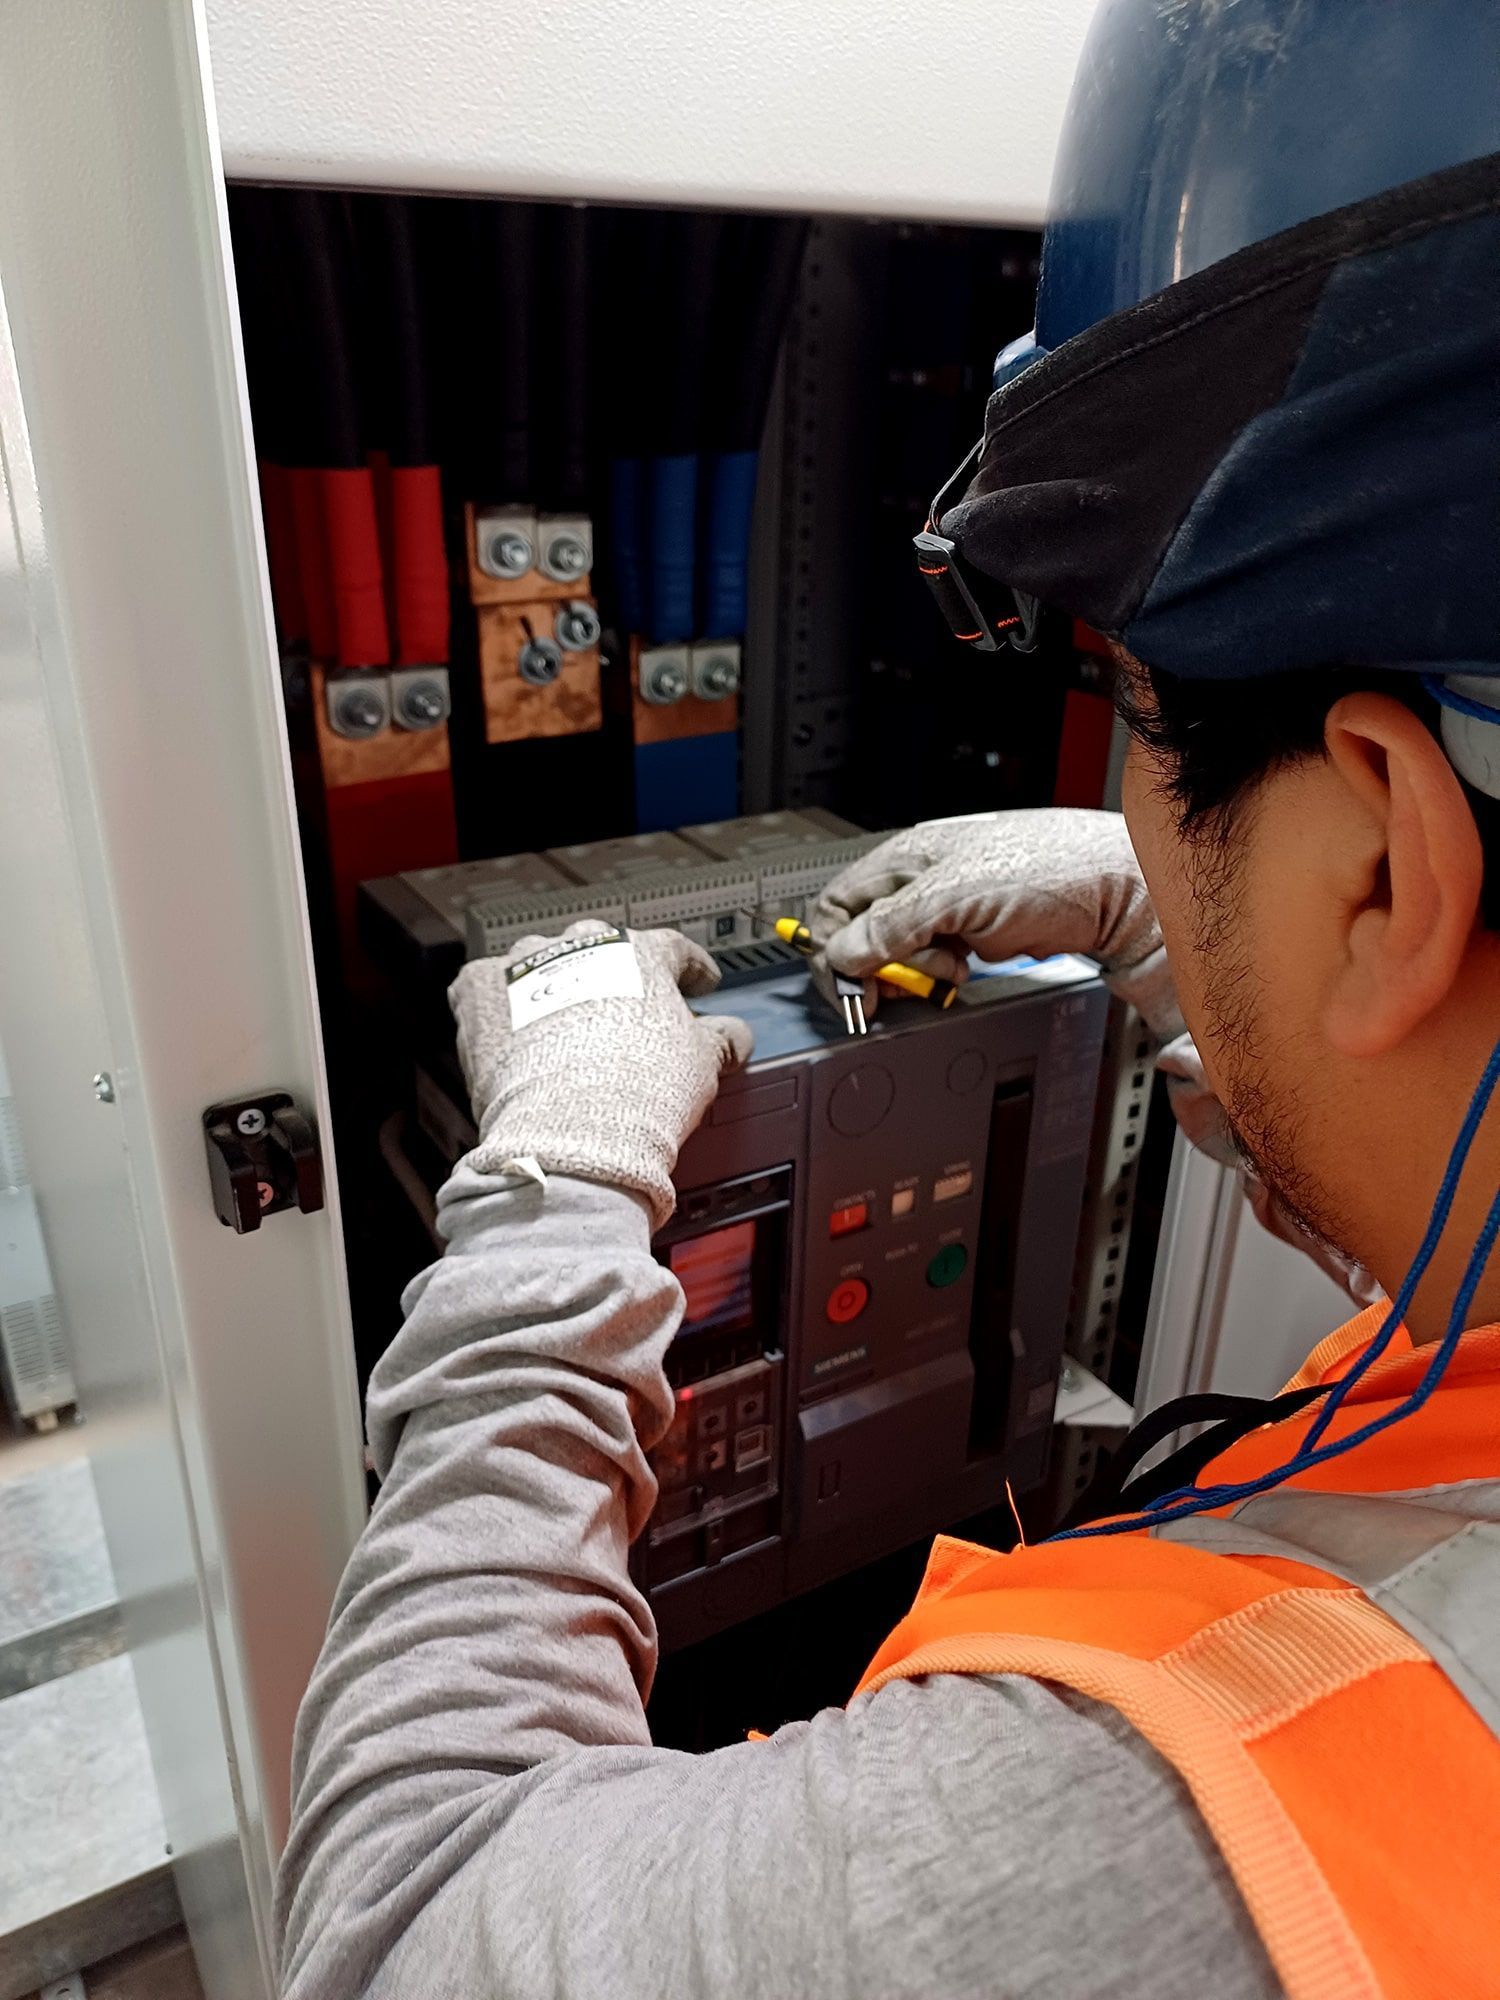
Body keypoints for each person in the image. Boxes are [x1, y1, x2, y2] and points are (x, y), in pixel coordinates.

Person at [275, 5, 1500, 1996]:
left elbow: (406, 1922)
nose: (1130, 805)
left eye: (1133, 721)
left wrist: (559, 1185)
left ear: (1386, 862)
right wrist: (1183, 950)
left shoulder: (1161, 1827)